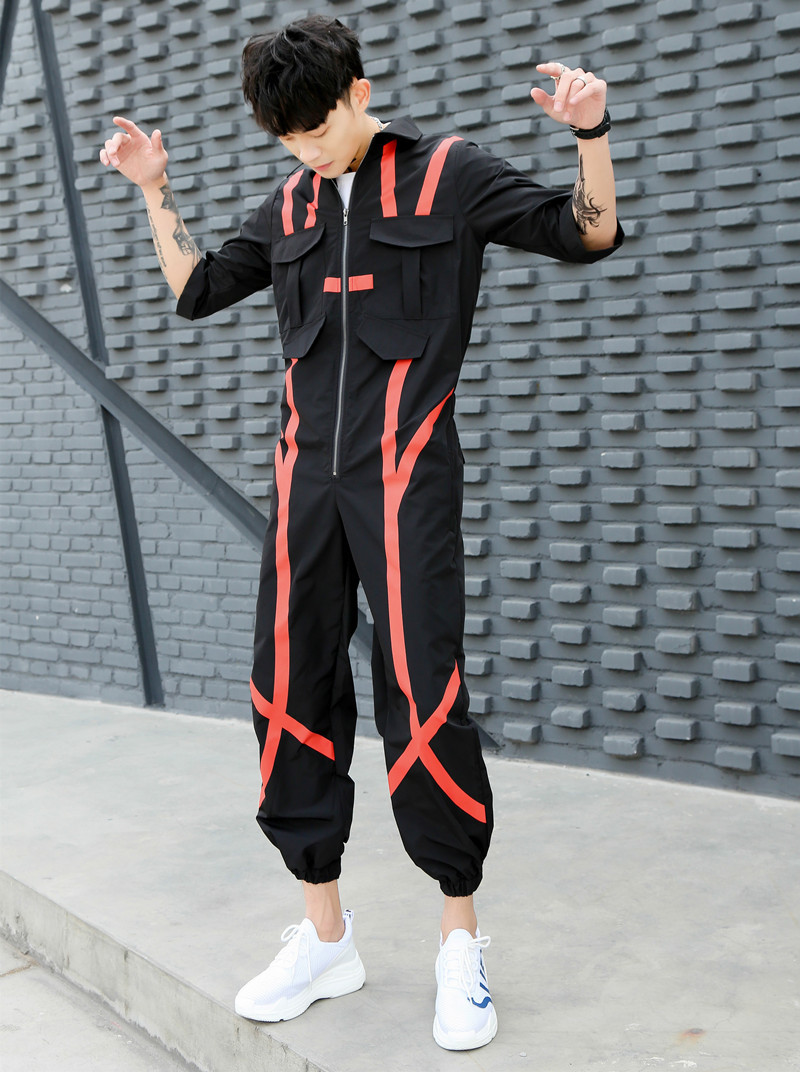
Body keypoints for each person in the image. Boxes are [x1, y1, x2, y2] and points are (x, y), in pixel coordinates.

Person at [99, 14, 622, 1051]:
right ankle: (325, 934)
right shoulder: (291, 201)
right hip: (305, 486)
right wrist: (154, 190)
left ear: (360, 93)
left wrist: (590, 133)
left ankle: (458, 940)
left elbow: (584, 232)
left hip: (405, 477)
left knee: (422, 690)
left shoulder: (448, 173)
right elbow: (198, 290)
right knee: (289, 689)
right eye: (287, 138)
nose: (308, 151)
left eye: (319, 128)